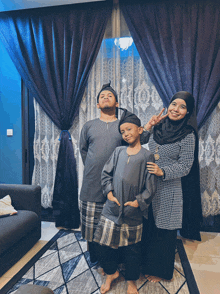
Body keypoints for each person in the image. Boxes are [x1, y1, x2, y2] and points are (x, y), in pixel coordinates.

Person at [79, 82, 150, 263]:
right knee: (92, 228)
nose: (105, 97)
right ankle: (98, 261)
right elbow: (83, 150)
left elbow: (140, 139)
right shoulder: (88, 125)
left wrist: (149, 125)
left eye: (109, 95)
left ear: (117, 103)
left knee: (116, 228)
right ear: (97, 104)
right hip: (92, 184)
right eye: (102, 96)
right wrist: (93, 169)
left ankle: (115, 262)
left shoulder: (123, 126)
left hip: (118, 188)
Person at [141, 91, 203, 282]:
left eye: (182, 106)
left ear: (188, 112)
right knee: (148, 227)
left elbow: (186, 166)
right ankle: (144, 264)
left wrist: (163, 172)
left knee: (164, 231)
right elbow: (139, 141)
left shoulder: (188, 134)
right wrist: (149, 126)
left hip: (169, 189)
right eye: (174, 104)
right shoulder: (158, 126)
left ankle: (160, 271)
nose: (176, 109)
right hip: (147, 187)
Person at [93, 109, 156, 294]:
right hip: (111, 210)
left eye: (129, 129)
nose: (126, 134)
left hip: (132, 213)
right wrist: (109, 193)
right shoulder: (118, 151)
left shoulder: (147, 156)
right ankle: (111, 273)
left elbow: (151, 187)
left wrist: (139, 202)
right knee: (106, 245)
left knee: (132, 250)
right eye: (123, 132)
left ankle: (131, 281)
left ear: (139, 130)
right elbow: (106, 174)